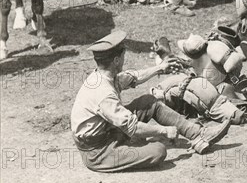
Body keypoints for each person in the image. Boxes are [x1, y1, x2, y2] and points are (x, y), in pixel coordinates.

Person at [70, 30, 231, 173]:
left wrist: (161, 67)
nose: (124, 61)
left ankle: (198, 135)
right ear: (117, 60)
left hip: (108, 131)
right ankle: (131, 145)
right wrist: (164, 131)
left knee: (148, 102)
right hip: (98, 151)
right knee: (158, 151)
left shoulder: (104, 76)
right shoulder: (103, 92)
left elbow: (133, 77)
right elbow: (132, 127)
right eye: (124, 57)